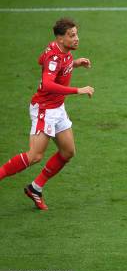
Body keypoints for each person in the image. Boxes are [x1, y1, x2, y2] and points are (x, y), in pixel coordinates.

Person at [0, 18, 94, 210]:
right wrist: (78, 90)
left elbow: (40, 60)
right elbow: (48, 83)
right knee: (35, 155)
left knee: (68, 152)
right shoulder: (54, 56)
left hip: (58, 108)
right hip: (45, 109)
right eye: (72, 35)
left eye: (76, 34)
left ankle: (35, 188)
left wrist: (74, 63)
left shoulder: (61, 51)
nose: (77, 39)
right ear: (61, 38)